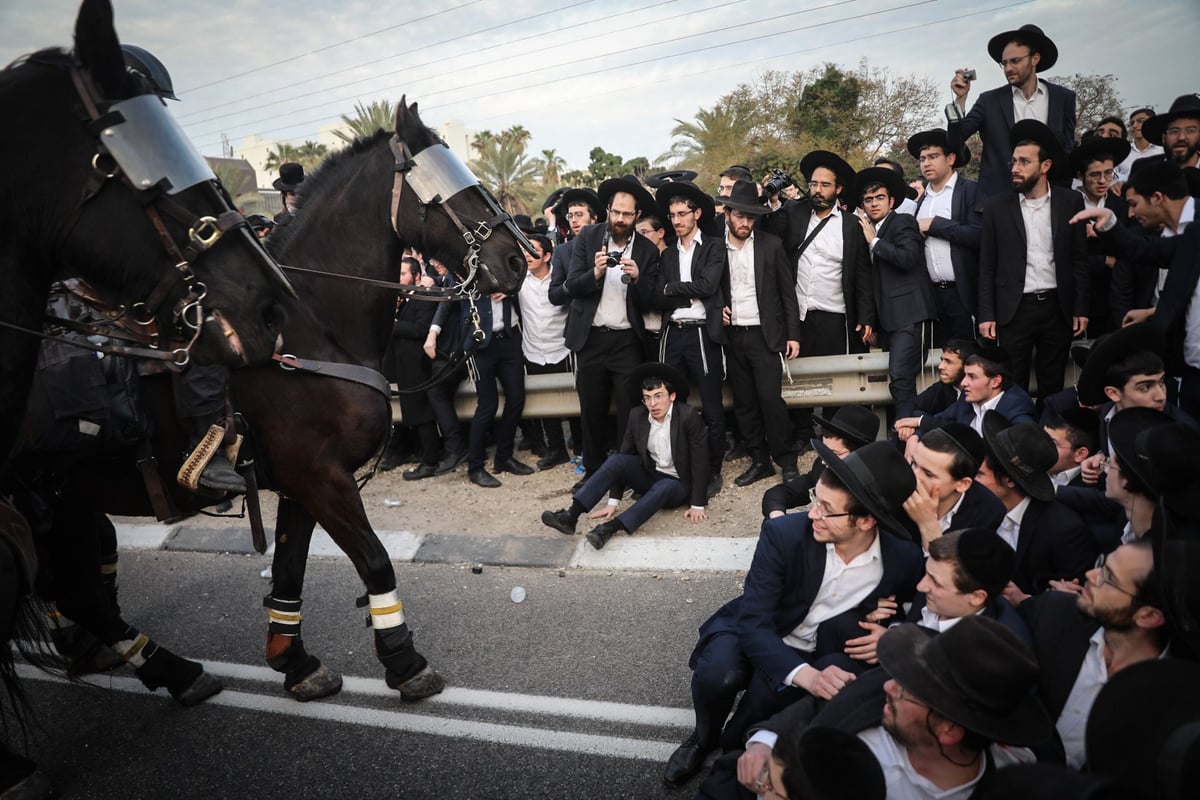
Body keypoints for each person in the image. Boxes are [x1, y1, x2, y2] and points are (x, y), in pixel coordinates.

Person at [664, 442, 923, 788]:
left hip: (814, 650)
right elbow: (754, 623)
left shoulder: (902, 559)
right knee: (718, 675)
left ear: (865, 520)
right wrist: (807, 676)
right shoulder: (784, 534)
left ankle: (731, 758)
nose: (812, 513)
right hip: (758, 628)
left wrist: (892, 633)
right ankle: (702, 737)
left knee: (753, 726)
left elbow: (922, 609)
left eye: (826, 509)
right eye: (815, 499)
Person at [734, 617, 1051, 800]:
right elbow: (823, 704)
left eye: (907, 690)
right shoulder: (861, 723)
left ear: (950, 730)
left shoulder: (1016, 782)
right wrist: (767, 745)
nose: (888, 686)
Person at [1018, 540, 1167, 768]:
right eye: (1101, 564)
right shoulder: (1051, 614)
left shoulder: (1168, 702)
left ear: (1147, 616)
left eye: (1108, 578)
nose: (1090, 574)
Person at [767, 150, 874, 451]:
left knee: (832, 377)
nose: (817, 190)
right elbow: (770, 236)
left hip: (834, 313)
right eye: (813, 184)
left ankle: (831, 435)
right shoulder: (794, 213)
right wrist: (772, 201)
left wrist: (865, 317)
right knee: (800, 376)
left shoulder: (851, 225)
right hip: (798, 312)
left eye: (825, 185)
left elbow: (862, 276)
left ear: (838, 189)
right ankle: (802, 433)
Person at [540, 362, 707, 550]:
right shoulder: (637, 416)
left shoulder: (688, 416)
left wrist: (697, 504)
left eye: (659, 396)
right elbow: (623, 459)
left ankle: (608, 529)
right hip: (651, 476)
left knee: (665, 486)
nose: (653, 404)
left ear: (672, 396)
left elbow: (700, 461)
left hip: (677, 485)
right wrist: (613, 501)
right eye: (647, 398)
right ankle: (570, 516)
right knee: (616, 459)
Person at [977, 119, 1089, 398]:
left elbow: (1079, 259)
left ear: (1045, 166)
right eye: (1014, 161)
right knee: (1013, 386)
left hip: (1057, 307)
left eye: (1024, 162)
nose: (1015, 168)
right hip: (1015, 310)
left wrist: (1081, 307)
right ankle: (1018, 440)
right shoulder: (996, 206)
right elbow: (987, 264)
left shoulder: (1070, 201)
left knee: (1053, 383)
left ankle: (1050, 439)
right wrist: (987, 314)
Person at [563, 176, 660, 487]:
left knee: (628, 413)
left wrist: (638, 278)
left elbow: (651, 300)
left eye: (627, 214)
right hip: (590, 338)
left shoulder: (647, 249)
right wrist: (595, 272)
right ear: (607, 210)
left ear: (637, 216)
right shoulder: (588, 237)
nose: (619, 219)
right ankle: (593, 474)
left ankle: (622, 473)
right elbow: (572, 287)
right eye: (615, 212)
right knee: (591, 411)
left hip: (626, 341)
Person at [718, 181, 801, 487]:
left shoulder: (771, 245)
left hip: (766, 336)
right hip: (733, 337)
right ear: (727, 214)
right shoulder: (716, 248)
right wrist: (718, 310)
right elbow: (710, 291)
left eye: (751, 217)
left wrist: (793, 334)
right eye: (740, 216)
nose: (745, 223)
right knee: (744, 403)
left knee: (771, 401)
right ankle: (760, 461)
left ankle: (787, 460)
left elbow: (787, 293)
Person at [651, 181, 728, 497]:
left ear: (696, 214)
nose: (677, 220)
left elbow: (708, 286)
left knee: (711, 406)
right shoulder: (667, 254)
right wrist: (678, 291)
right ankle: (675, 467)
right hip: (673, 334)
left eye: (682, 214)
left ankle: (711, 471)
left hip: (701, 332)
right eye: (672, 215)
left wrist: (674, 290)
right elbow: (657, 293)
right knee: (670, 405)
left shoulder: (712, 246)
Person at [945, 23, 1076, 208]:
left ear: (1035, 58)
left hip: (1050, 200)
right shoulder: (989, 100)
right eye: (1004, 63)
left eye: (1015, 61)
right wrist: (960, 99)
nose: (1008, 68)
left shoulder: (1063, 98)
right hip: (1000, 203)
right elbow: (954, 141)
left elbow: (1067, 149)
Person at [976, 411, 1098, 602]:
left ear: (1009, 480)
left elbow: (1075, 605)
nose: (970, 481)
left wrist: (1027, 600)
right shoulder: (980, 511)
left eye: (979, 475)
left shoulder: (1064, 530)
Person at [852, 165, 934, 420]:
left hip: (910, 315)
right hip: (887, 320)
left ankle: (906, 434)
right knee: (899, 378)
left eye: (879, 198)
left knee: (900, 377)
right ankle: (904, 431)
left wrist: (874, 242)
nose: (874, 204)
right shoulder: (868, 229)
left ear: (891, 201)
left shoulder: (902, 222)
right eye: (868, 200)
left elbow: (908, 258)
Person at [907, 129, 982, 344]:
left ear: (950, 158)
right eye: (922, 159)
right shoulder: (922, 201)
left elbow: (979, 235)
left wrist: (935, 225)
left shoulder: (970, 190)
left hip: (965, 293)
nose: (926, 164)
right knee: (940, 359)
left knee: (970, 355)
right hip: (933, 296)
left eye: (933, 156)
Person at [516, 233, 575, 470]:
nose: (527, 256)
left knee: (573, 403)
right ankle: (557, 450)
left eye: (533, 251)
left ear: (548, 255)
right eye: (525, 251)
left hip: (562, 349)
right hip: (532, 351)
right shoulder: (518, 280)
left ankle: (580, 448)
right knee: (546, 407)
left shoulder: (560, 278)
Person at [899, 423, 1005, 550]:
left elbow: (954, 568)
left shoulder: (987, 512)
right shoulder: (895, 495)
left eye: (928, 474)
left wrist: (928, 525)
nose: (915, 477)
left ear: (962, 484)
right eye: (914, 464)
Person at [761, 405, 877, 519]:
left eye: (835, 454)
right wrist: (777, 515)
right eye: (824, 452)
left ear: (860, 455)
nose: (824, 461)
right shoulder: (823, 468)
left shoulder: (876, 485)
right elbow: (779, 493)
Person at [381, 256, 440, 479]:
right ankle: (412, 451)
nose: (400, 278)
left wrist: (392, 323)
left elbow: (420, 329)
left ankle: (430, 461)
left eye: (404, 274)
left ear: (416, 276)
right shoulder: (404, 299)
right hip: (402, 365)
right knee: (410, 412)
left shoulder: (423, 297)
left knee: (422, 414)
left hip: (417, 365)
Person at [897, 345, 1037, 436]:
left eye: (972, 377)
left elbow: (1025, 451)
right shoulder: (968, 397)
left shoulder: (1016, 406)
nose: (964, 383)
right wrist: (915, 437)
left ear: (995, 381)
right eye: (965, 375)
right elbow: (942, 422)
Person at [1072, 134, 1133, 337]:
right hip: (1078, 297)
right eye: (1094, 175)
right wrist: (1104, 261)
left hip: (1114, 297)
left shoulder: (1121, 205)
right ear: (1080, 175)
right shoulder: (1068, 204)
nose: (1102, 181)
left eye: (1108, 174)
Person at [894, 338, 978, 441]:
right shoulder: (944, 386)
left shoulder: (976, 391)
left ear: (967, 366)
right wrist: (905, 426)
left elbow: (956, 425)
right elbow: (912, 403)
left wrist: (919, 422)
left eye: (948, 362)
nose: (941, 366)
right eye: (942, 360)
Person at [1044, 407, 1099, 489]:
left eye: (1053, 443)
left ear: (1080, 454)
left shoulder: (1087, 493)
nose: (1041, 447)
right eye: (1042, 438)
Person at [1142, 93, 1200, 170]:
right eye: (1174, 131)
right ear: (1163, 137)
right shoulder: (1144, 168)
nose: (1181, 137)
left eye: (1190, 131)